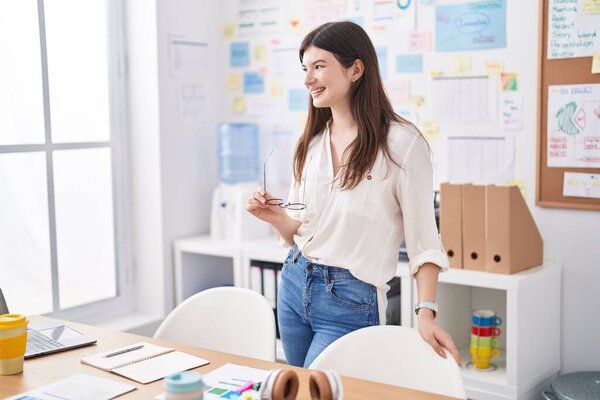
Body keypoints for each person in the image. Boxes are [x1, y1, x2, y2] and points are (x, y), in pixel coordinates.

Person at [247, 21, 461, 368]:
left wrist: (426, 314)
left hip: (350, 300)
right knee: (299, 388)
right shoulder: (311, 144)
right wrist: (276, 219)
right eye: (305, 69)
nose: (307, 79)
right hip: (294, 283)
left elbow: (425, 243)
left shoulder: (402, 145)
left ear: (355, 69)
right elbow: (298, 234)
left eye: (319, 67)